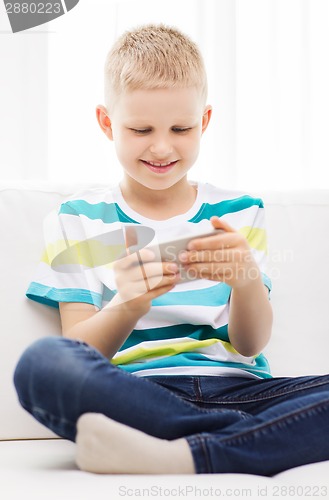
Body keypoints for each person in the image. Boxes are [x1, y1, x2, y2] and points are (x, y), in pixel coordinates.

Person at [14, 24, 329, 476]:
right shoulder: (77, 218)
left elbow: (248, 344)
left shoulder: (239, 212)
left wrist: (245, 280)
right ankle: (246, 439)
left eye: (181, 128)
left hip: (242, 391)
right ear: (107, 123)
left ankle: (188, 452)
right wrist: (127, 306)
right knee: (40, 364)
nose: (162, 147)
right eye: (140, 128)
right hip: (138, 395)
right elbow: (78, 351)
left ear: (204, 121)